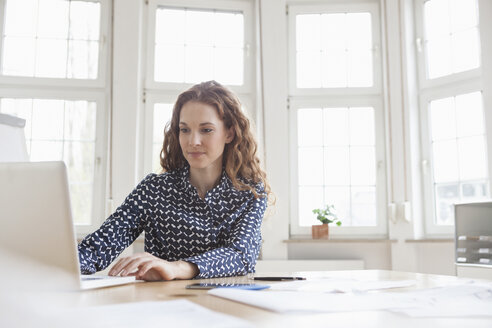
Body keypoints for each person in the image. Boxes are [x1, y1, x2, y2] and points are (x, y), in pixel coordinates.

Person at [78, 81, 271, 281]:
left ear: (229, 133)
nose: (193, 141)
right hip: (164, 304)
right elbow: (97, 248)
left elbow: (241, 256)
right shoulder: (154, 189)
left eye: (206, 130)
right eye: (184, 130)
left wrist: (177, 268)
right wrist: (56, 266)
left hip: (229, 304)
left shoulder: (251, 193)